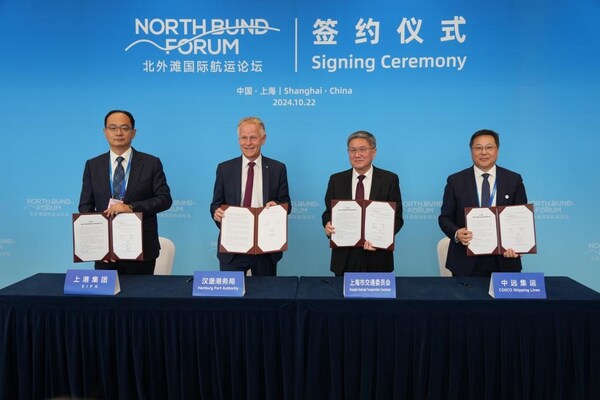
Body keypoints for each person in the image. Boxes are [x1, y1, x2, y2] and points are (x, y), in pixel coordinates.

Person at [78, 110, 172, 274]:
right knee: (105, 299)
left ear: (133, 133)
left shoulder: (151, 163)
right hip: (105, 254)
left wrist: (131, 207)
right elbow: (85, 206)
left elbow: (164, 199)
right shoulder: (93, 165)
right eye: (112, 128)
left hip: (141, 248)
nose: (118, 133)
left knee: (139, 298)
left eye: (124, 128)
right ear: (105, 132)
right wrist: (99, 247)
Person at [438, 129, 528, 277]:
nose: (484, 152)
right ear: (471, 151)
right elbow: (445, 218)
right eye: (478, 148)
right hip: (466, 260)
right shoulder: (456, 181)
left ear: (497, 150)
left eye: (489, 147)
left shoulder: (513, 180)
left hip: (504, 259)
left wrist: (517, 245)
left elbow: (520, 219)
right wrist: (457, 233)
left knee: (506, 301)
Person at [210, 116, 291, 276]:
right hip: (233, 246)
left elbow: (286, 204)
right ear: (238, 140)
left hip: (266, 247)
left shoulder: (277, 168)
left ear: (263, 139)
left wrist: (278, 207)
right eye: (243, 138)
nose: (248, 143)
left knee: (265, 297)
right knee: (231, 299)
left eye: (253, 137)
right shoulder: (224, 169)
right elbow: (215, 204)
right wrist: (217, 212)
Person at [322, 130, 404, 276]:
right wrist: (327, 224)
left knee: (377, 299)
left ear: (374, 152)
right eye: (352, 150)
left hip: (378, 256)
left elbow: (397, 218)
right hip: (344, 257)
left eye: (362, 150)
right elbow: (328, 212)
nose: (357, 155)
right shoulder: (336, 180)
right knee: (343, 298)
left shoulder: (389, 180)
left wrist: (381, 239)